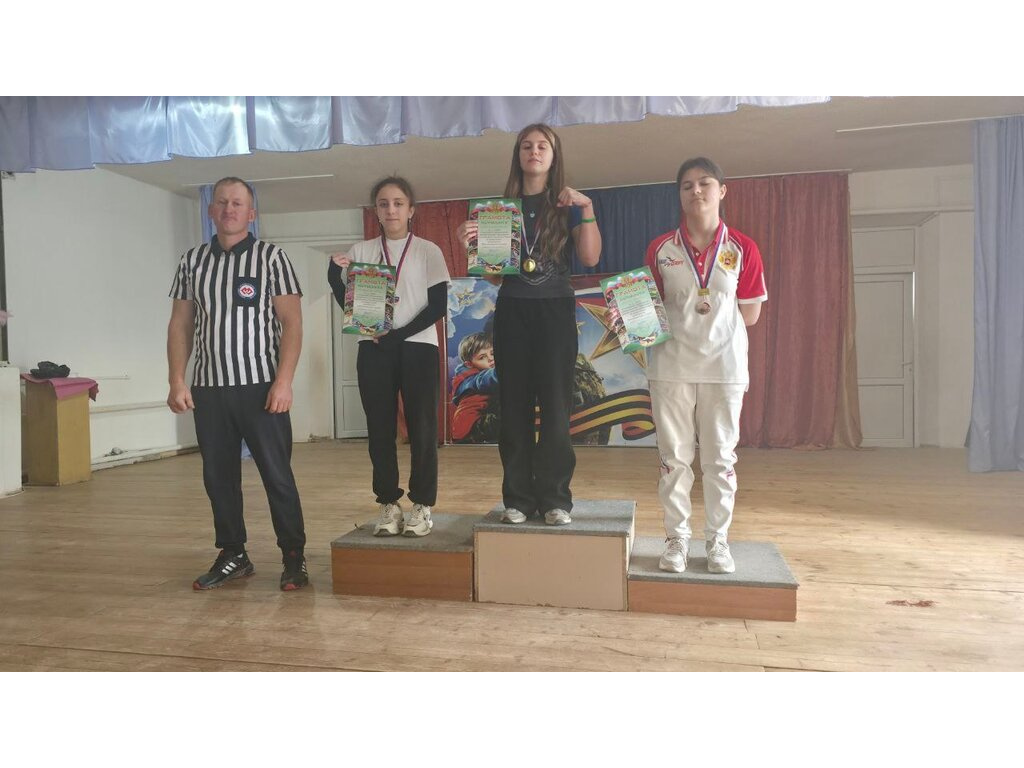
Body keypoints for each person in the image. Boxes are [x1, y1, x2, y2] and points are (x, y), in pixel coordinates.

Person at [166, 176, 309, 591]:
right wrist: (177, 379)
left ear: (251, 213)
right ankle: (233, 554)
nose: (229, 209)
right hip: (209, 389)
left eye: (238, 203)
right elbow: (180, 325)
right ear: (212, 210)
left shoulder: (271, 258)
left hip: (261, 388)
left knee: (277, 476)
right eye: (222, 202)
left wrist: (284, 381)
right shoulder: (192, 261)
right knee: (218, 477)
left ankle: (294, 557)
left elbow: (292, 323)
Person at [459, 123, 601, 526]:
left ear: (554, 156)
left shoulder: (568, 205)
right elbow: (493, 277)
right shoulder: (497, 211)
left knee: (556, 407)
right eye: (526, 146)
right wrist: (469, 245)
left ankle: (555, 498)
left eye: (542, 146)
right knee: (514, 407)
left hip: (555, 311)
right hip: (513, 310)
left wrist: (588, 208)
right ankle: (518, 498)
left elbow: (590, 258)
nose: (534, 151)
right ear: (518, 155)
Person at [644, 157, 767, 574]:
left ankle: (717, 540)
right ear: (679, 195)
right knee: (673, 459)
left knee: (720, 460)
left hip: (724, 367)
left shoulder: (743, 248)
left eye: (705, 183)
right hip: (670, 367)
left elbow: (750, 314)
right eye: (687, 186)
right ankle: (677, 539)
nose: (696, 191)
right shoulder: (661, 249)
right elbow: (648, 310)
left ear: (721, 191)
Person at [328, 176, 450, 537]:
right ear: (376, 212)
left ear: (411, 210)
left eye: (398, 203)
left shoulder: (428, 250)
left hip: (418, 347)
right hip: (375, 349)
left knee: (422, 429)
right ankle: (388, 503)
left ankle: (422, 504)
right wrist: (334, 277)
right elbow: (353, 306)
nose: (391, 209)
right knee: (379, 429)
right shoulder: (362, 250)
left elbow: (438, 306)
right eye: (383, 204)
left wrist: (398, 335)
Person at [451, 331, 499, 443]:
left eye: (492, 353)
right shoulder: (470, 378)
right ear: (469, 364)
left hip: (478, 420)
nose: (490, 359)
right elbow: (483, 380)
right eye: (482, 357)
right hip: (469, 427)